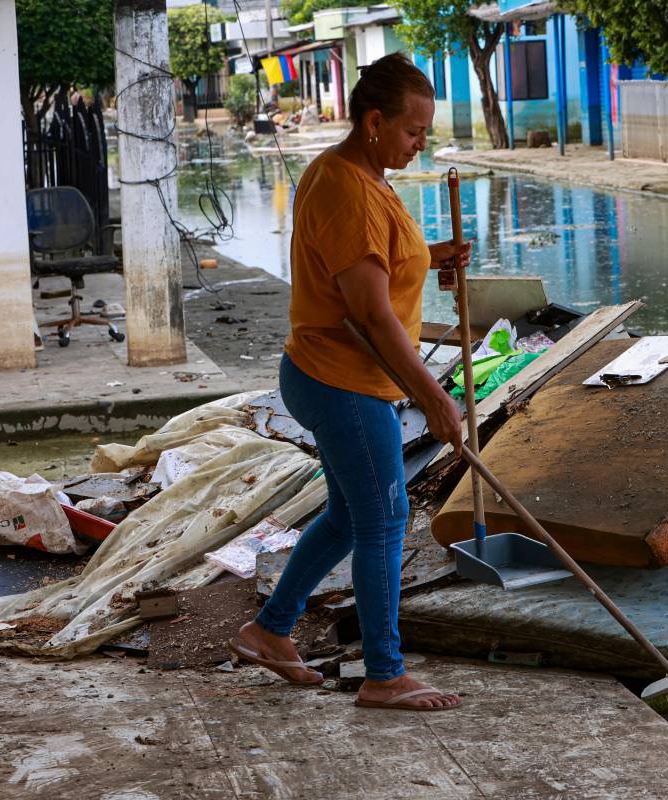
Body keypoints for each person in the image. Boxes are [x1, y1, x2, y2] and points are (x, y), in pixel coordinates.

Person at [228, 53, 468, 711]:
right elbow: (369, 313)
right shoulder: (345, 187)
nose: (422, 143)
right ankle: (385, 673)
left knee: (345, 516)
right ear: (372, 122)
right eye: (413, 131)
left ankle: (270, 631)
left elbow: (375, 269)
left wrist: (432, 258)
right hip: (345, 382)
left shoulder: (361, 174)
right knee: (386, 517)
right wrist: (435, 398)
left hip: (334, 375)